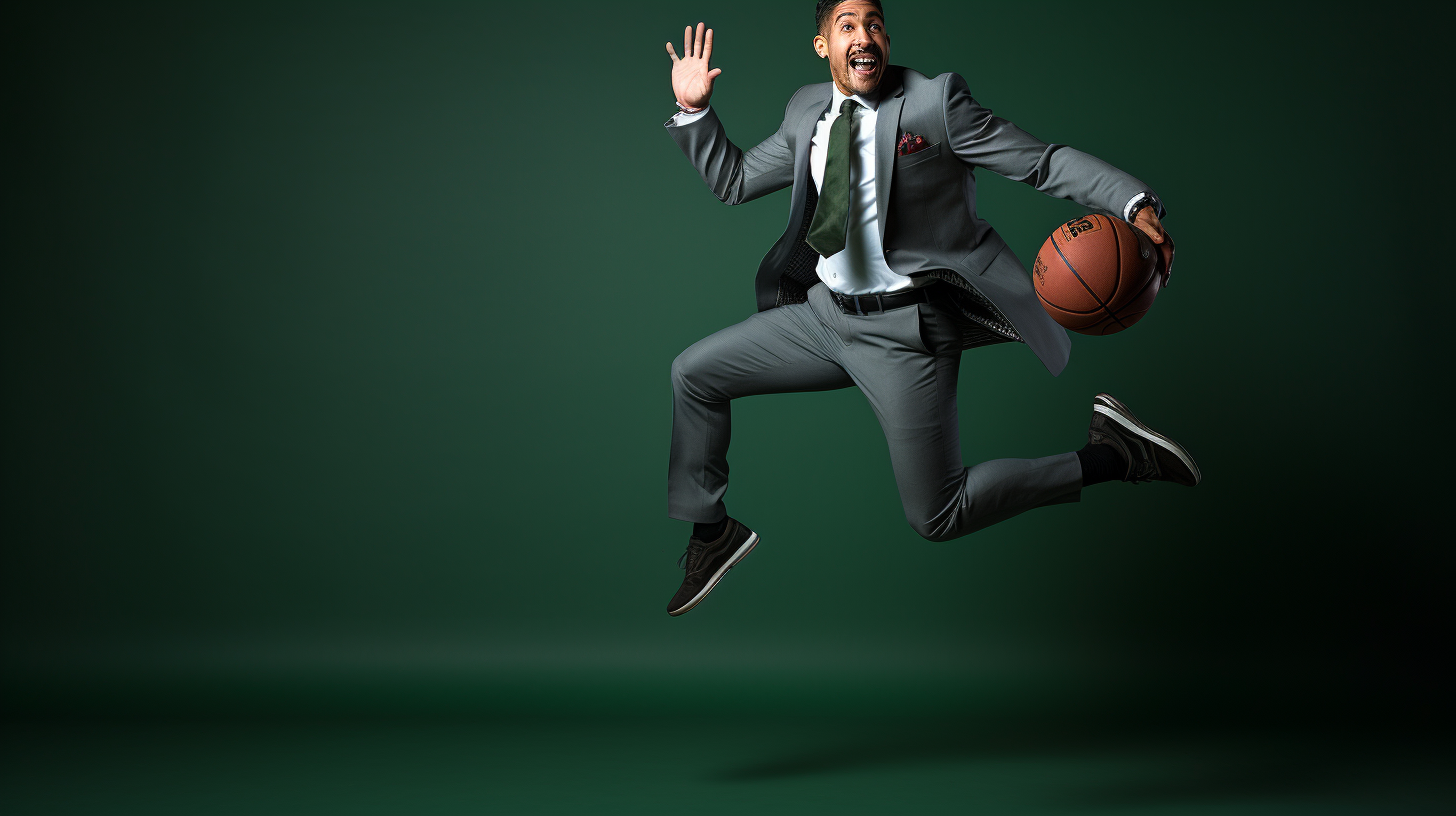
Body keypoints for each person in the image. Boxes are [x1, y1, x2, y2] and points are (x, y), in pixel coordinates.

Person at [662, 1, 1198, 617]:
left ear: (885, 36)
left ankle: (1116, 455)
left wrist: (1132, 202)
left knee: (938, 514)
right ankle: (712, 534)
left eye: (874, 24)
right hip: (824, 317)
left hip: (906, 332)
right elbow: (733, 180)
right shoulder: (806, 109)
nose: (864, 37)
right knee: (693, 374)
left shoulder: (934, 104)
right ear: (821, 46)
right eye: (847, 26)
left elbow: (1042, 163)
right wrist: (695, 111)